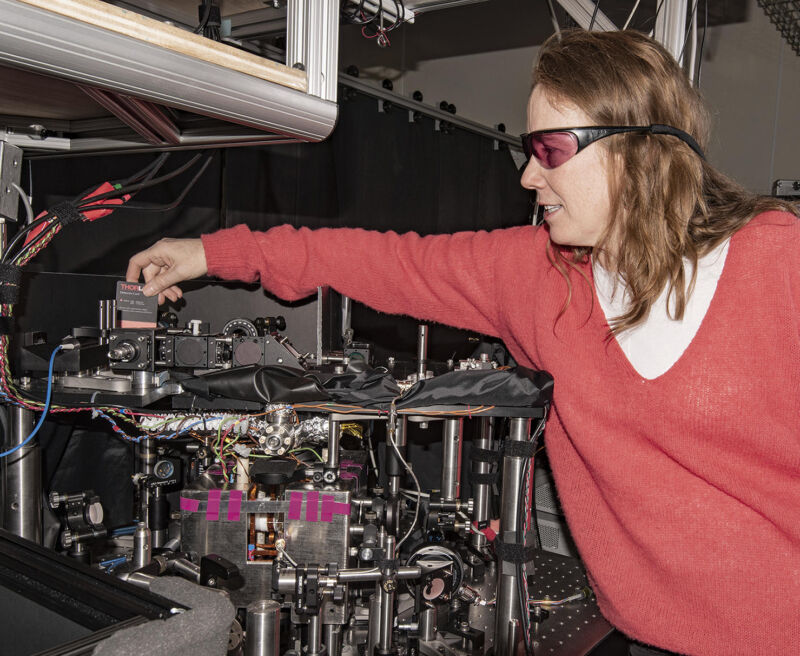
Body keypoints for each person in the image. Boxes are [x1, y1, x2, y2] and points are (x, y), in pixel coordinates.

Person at [127, 30, 799, 656]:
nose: (529, 179)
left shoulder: (776, 262)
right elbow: (385, 262)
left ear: (637, 148)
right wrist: (214, 252)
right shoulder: (539, 276)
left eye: (551, 151)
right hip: (641, 639)